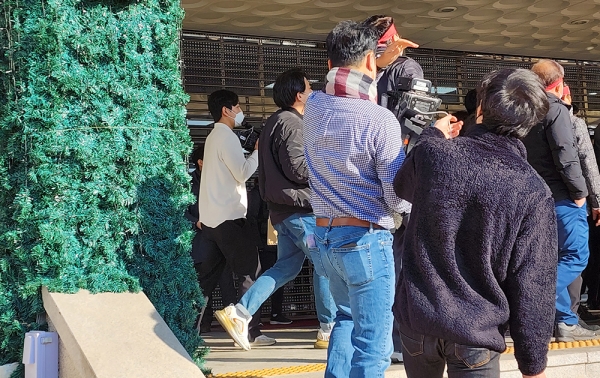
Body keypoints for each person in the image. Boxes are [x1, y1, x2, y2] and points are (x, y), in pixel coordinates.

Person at [394, 68, 555, 378]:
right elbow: (533, 283)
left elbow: (402, 186)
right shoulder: (532, 189)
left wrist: (433, 134)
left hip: (418, 320)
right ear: (529, 123)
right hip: (476, 329)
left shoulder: (434, 154)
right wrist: (533, 364)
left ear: (480, 107)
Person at [303, 21, 410, 377]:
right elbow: (396, 198)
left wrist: (375, 63)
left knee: (346, 320)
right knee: (374, 346)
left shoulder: (314, 107)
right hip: (365, 240)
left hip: (325, 238)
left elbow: (340, 85)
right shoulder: (381, 120)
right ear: (369, 60)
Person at [216, 68, 337, 351]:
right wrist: (327, 169)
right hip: (302, 213)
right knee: (325, 265)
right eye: (308, 89)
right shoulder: (293, 123)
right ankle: (328, 329)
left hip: (283, 214)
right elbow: (298, 168)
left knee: (285, 268)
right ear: (299, 95)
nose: (312, 93)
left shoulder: (273, 122)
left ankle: (240, 312)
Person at [523, 59, 596, 341]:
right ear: (559, 82)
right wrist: (580, 193)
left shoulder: (524, 113)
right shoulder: (556, 110)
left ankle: (564, 322)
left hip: (534, 198)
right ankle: (535, 294)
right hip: (563, 198)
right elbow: (567, 154)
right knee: (576, 256)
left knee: (551, 259)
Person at [196, 89, 275, 348]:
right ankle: (250, 331)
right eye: (238, 107)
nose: (240, 111)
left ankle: (189, 328)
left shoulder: (211, 138)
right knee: (250, 274)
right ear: (226, 110)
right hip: (230, 218)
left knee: (206, 281)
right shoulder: (226, 136)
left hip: (211, 221)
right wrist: (258, 153)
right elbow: (241, 173)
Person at [184, 145, 237, 334]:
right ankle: (198, 326)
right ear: (200, 162)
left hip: (221, 242)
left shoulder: (220, 181)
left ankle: (236, 329)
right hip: (201, 242)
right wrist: (195, 222)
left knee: (227, 286)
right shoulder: (188, 184)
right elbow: (181, 211)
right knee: (203, 286)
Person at [561, 86, 600, 328]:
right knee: (575, 257)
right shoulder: (574, 123)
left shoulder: (529, 122)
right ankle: (568, 317)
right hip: (574, 201)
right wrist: (596, 200)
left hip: (538, 204)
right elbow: (587, 162)